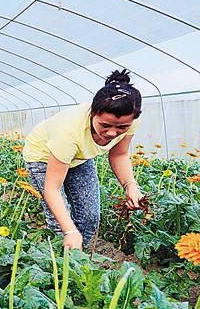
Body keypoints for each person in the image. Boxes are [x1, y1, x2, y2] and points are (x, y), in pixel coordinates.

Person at [22, 69, 143, 250]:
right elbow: (52, 189)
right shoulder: (69, 131)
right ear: (92, 113)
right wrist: (70, 231)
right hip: (43, 156)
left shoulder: (130, 120)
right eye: (105, 125)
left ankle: (76, 261)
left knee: (89, 217)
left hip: (78, 158)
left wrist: (130, 185)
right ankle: (57, 268)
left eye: (121, 127)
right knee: (59, 224)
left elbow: (119, 154)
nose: (112, 133)